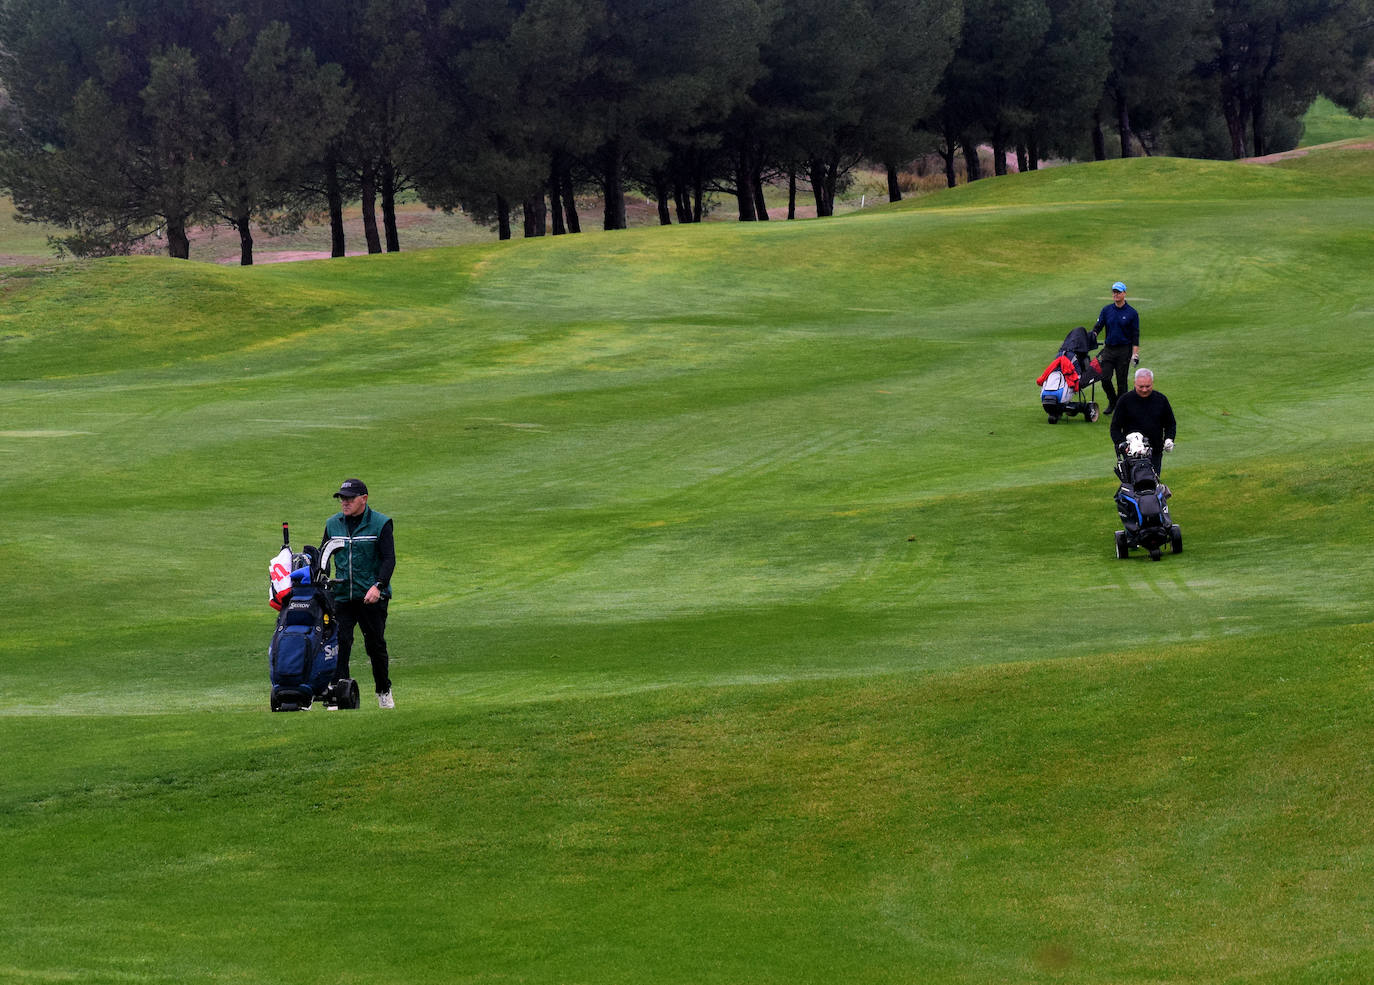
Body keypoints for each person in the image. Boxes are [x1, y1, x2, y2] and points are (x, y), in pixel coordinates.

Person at [322, 478, 396, 708]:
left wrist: (379, 586)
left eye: (349, 498)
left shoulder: (381, 523)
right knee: (339, 644)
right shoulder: (333, 524)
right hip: (342, 595)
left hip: (371, 596)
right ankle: (339, 694)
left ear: (363, 499)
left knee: (375, 645)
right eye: (342, 498)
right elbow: (324, 557)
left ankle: (383, 690)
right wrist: (322, 582)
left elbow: (388, 559)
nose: (344, 502)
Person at [1109, 368, 1177, 477]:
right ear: (1135, 384)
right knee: (1135, 485)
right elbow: (1115, 428)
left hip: (1154, 452)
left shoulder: (1161, 400)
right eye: (1141, 387)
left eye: (1148, 386)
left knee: (1153, 483)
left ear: (1152, 384)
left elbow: (1170, 424)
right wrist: (1123, 444)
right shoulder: (1125, 401)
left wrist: (1169, 439)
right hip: (1132, 454)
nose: (1144, 390)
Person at [1093, 281, 1140, 414]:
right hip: (1109, 350)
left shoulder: (1132, 313)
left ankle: (1121, 408)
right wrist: (1093, 335)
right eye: (1114, 292)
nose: (1116, 294)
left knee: (1121, 382)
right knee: (1105, 378)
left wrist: (1135, 354)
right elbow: (1098, 326)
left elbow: (1135, 335)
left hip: (1124, 350)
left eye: (1119, 292)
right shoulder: (1106, 310)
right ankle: (1113, 401)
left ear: (1124, 293)